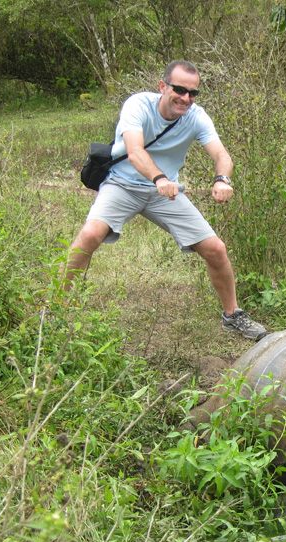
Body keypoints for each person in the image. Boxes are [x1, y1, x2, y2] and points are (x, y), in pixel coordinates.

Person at [61, 60, 267, 341]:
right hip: (123, 184)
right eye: (179, 90)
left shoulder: (196, 116)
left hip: (165, 192)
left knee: (216, 249)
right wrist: (159, 179)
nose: (186, 98)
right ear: (163, 86)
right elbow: (135, 152)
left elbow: (222, 155)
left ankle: (232, 316)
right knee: (90, 234)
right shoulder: (138, 105)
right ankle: (56, 311)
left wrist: (222, 179)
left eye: (193, 93)